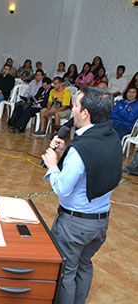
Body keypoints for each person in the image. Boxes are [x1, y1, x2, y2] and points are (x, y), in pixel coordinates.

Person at [41, 87, 122, 304]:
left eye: (75, 105)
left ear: (85, 113)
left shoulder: (81, 149)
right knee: (84, 265)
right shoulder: (111, 137)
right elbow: (90, 167)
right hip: (99, 222)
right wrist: (63, 153)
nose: (72, 109)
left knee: (66, 271)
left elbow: (62, 188)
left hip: (75, 225)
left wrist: (52, 165)